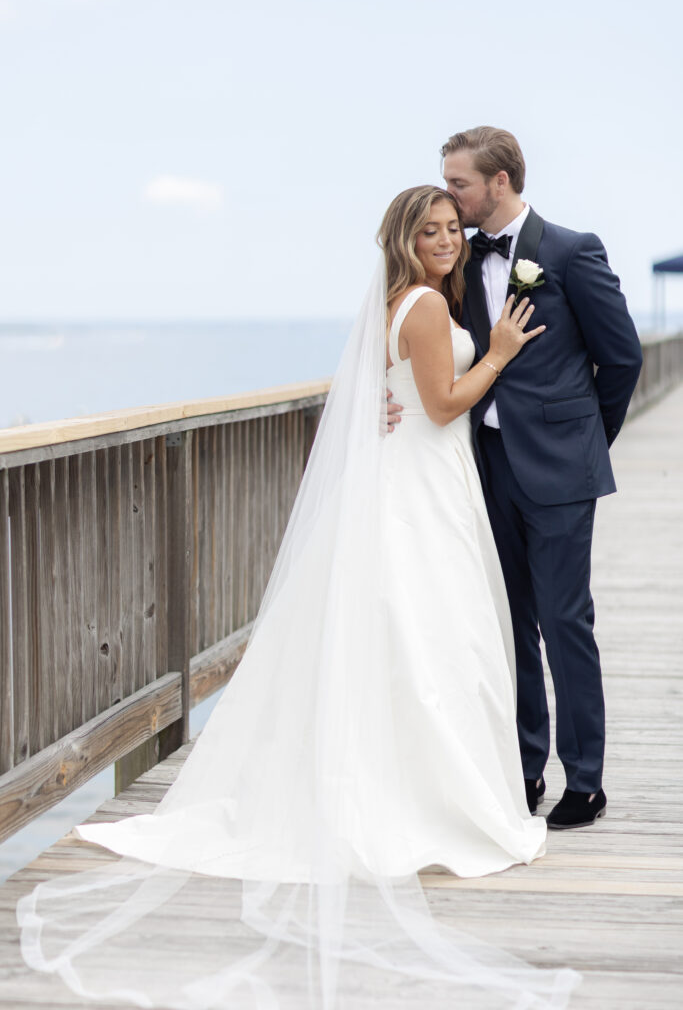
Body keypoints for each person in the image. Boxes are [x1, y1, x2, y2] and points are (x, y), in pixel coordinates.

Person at [17, 187, 578, 1009]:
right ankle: (435, 799)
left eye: (452, 229)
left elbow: (407, 399)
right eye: (429, 231)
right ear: (403, 239)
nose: (446, 240)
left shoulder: (399, 300)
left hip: (416, 479)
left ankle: (417, 783)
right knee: (437, 641)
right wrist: (495, 353)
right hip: (421, 490)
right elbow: (440, 403)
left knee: (418, 641)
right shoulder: (424, 307)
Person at [436, 127, 643, 828]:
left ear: (499, 183)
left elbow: (619, 360)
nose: (450, 194)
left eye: (459, 183)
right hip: (482, 463)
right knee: (507, 625)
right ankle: (521, 770)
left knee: (564, 623)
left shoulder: (569, 251)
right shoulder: (455, 258)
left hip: (558, 469)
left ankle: (584, 780)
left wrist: (585, 441)